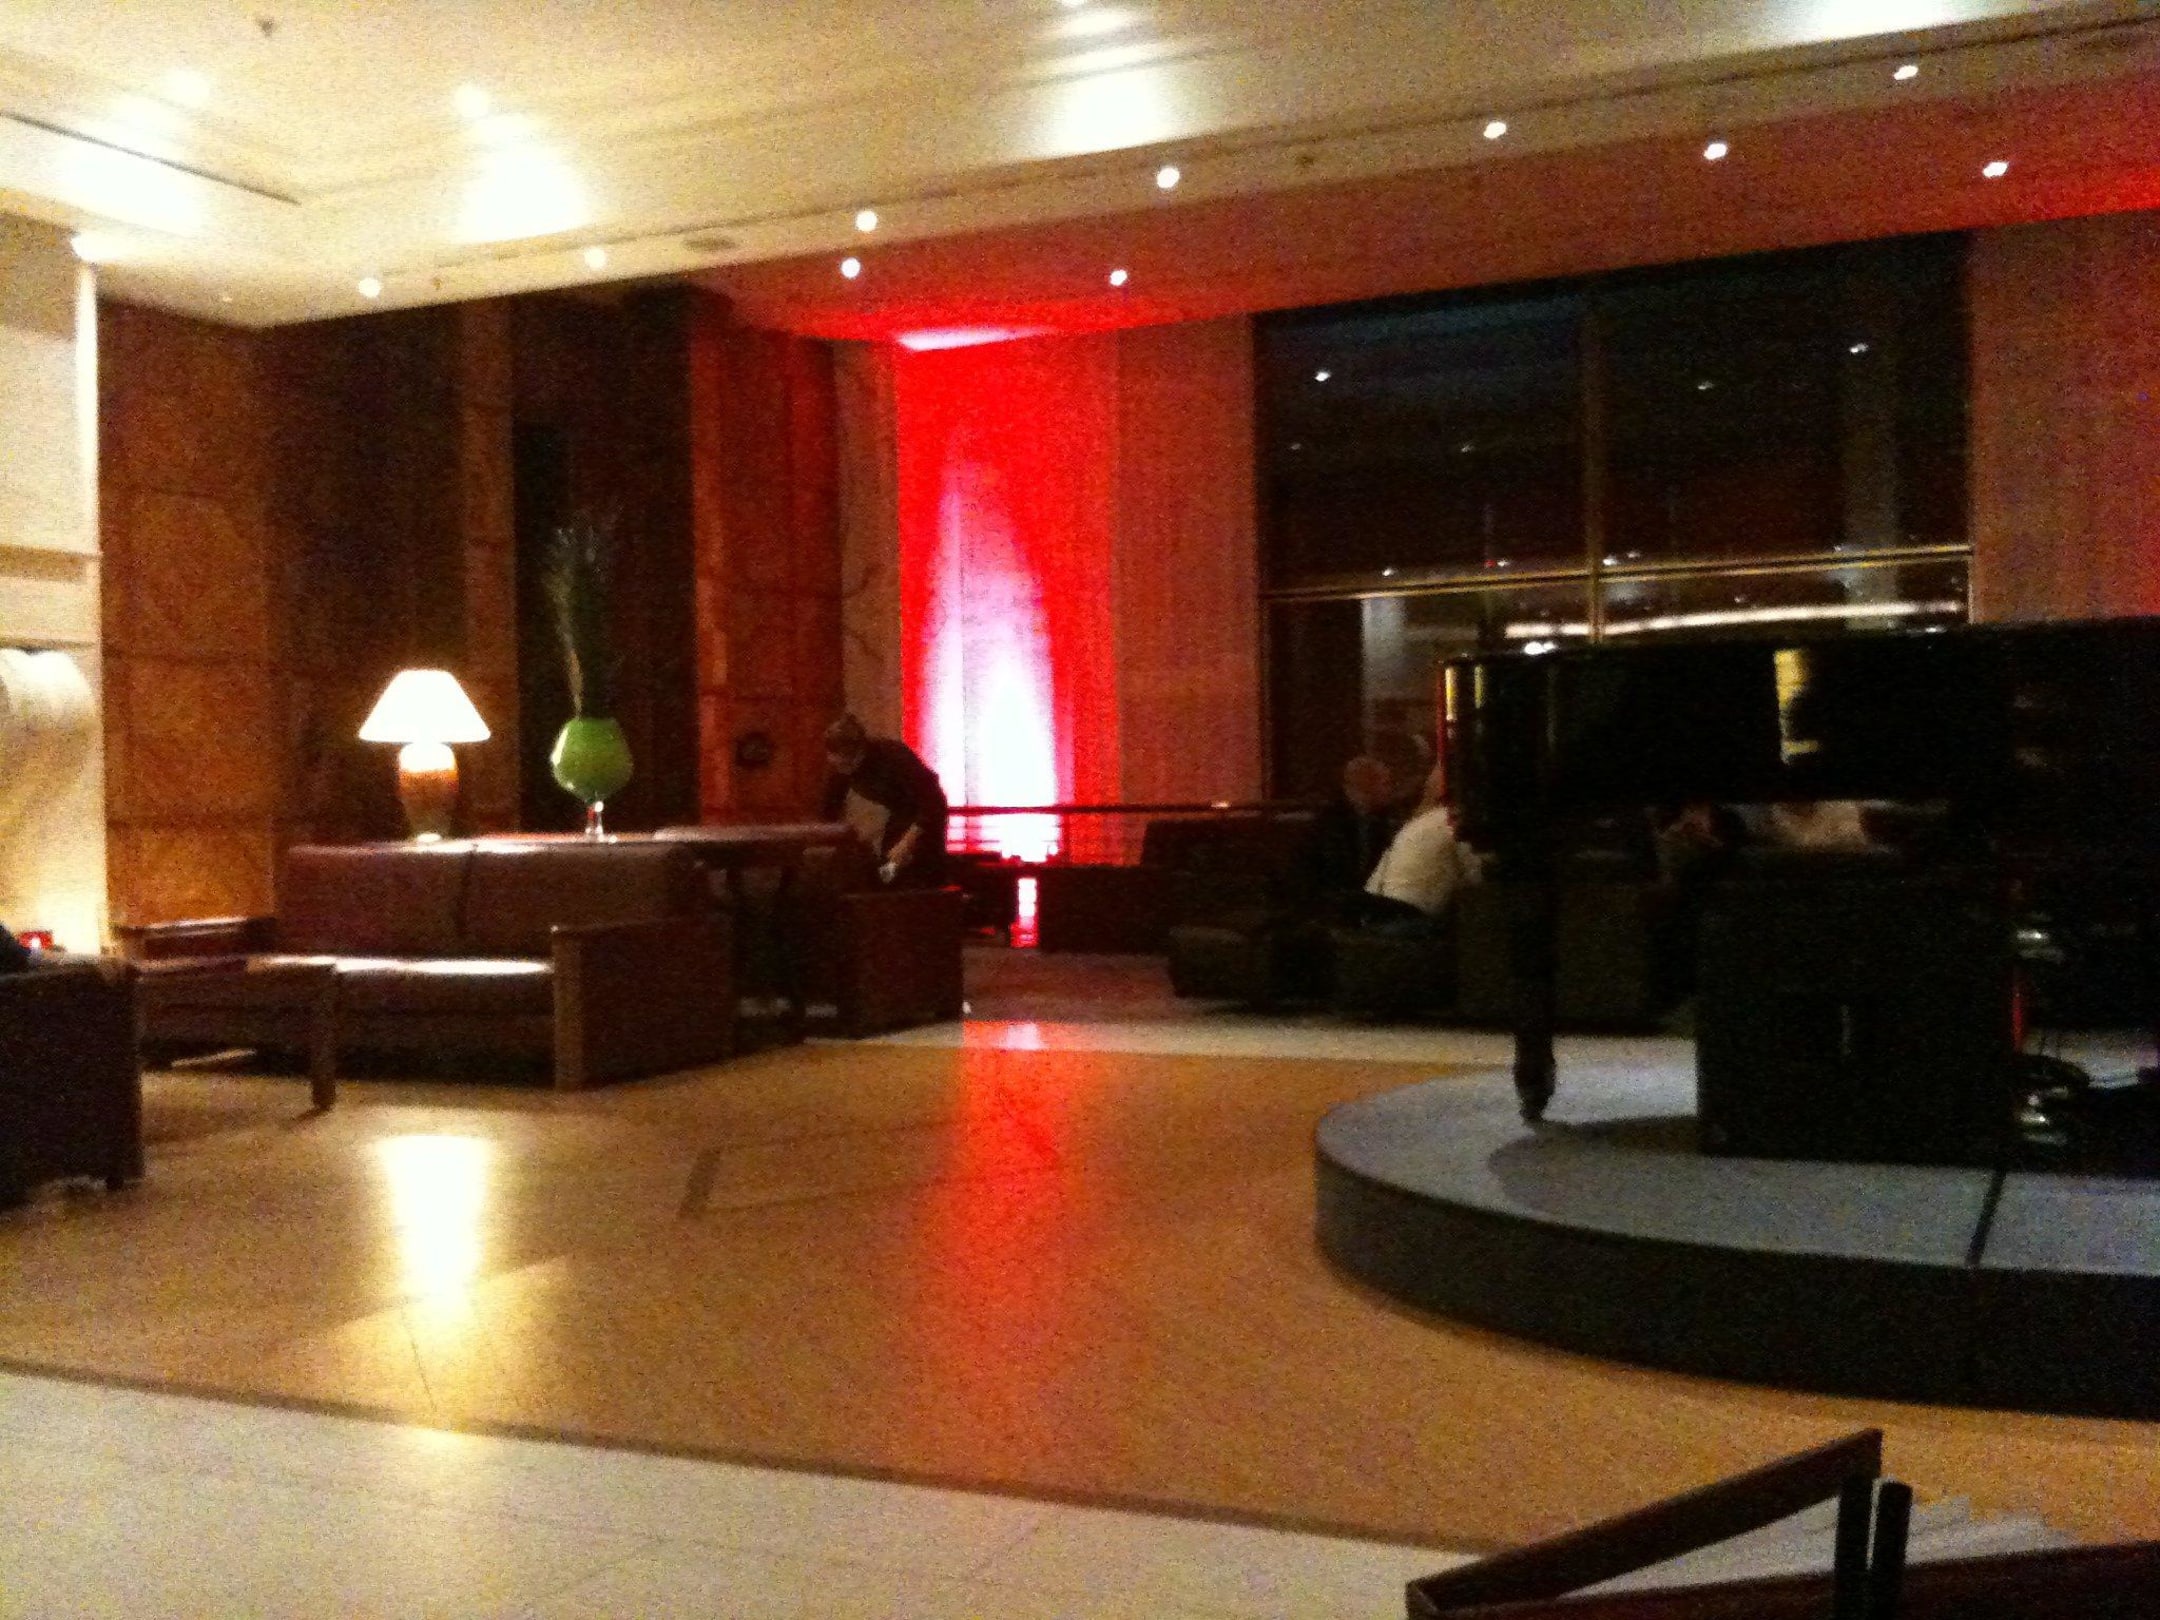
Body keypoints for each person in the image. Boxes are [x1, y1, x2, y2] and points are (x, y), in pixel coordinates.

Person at [818, 714, 949, 886]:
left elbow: (933, 801)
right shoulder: (840, 769)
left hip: (925, 822)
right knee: (886, 874)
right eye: (837, 764)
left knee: (911, 875)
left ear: (861, 751)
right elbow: (829, 810)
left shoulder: (894, 756)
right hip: (898, 820)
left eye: (848, 764)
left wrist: (906, 843)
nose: (843, 770)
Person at [1353, 761, 1477, 937]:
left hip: (1374, 920)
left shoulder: (1417, 822)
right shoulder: (1450, 823)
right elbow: (1477, 876)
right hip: (1413, 926)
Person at [1304, 754, 1403, 917]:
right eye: (1385, 784)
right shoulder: (1327, 825)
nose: (1391, 790)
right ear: (1365, 786)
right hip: (1332, 909)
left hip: (1368, 903)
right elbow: (1329, 878)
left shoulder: (1385, 820)